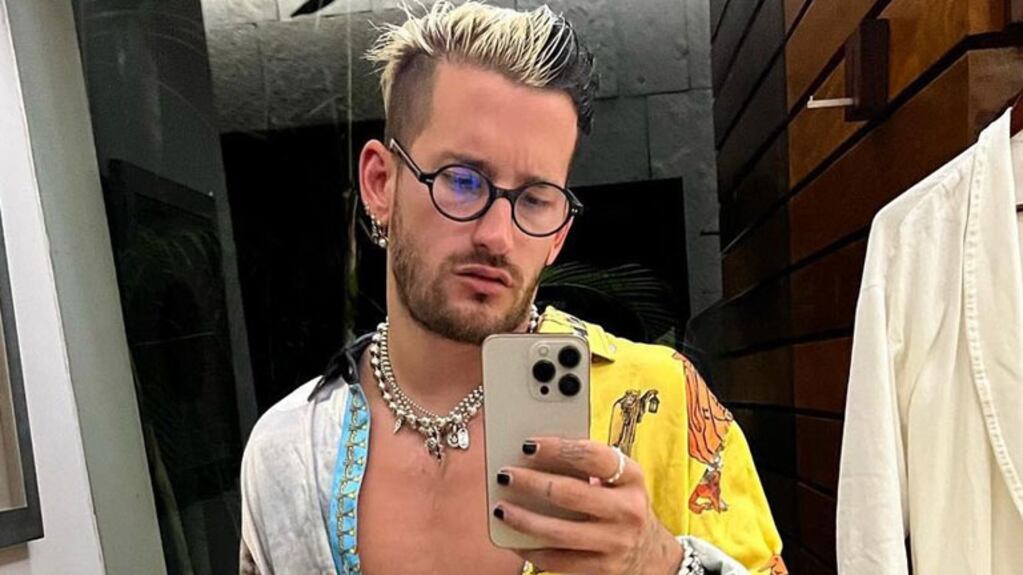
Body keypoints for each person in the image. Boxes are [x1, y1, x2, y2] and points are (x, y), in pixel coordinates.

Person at [239, 3, 786, 574]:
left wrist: (659, 561)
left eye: (535, 199)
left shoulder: (661, 400)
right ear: (381, 184)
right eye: (461, 181)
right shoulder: (287, 453)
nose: (497, 235)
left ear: (559, 234)